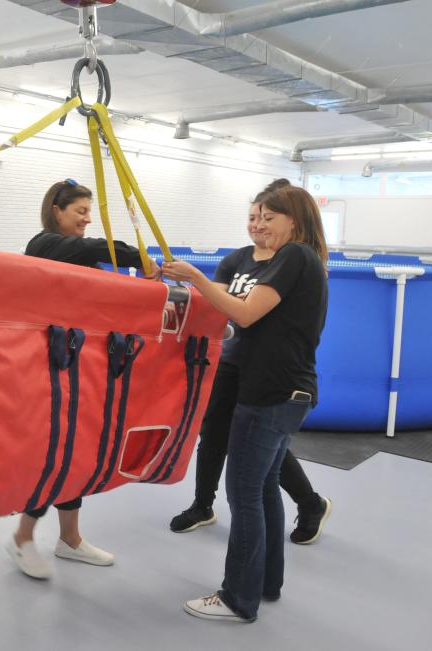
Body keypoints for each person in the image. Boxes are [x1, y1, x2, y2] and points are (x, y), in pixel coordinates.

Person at [163, 185, 328, 623]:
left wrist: (194, 277)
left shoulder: (294, 258)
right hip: (278, 390)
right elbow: (214, 304)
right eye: (254, 216)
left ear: (294, 221)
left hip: (272, 393)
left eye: (269, 217)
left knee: (244, 493)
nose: (259, 224)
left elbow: (246, 312)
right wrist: (178, 283)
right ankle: (266, 581)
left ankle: (238, 597)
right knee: (263, 487)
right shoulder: (274, 259)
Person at [6, 178, 160, 579]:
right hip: (43, 365)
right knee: (54, 452)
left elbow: (103, 290)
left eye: (90, 212)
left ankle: (69, 539)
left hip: (74, 362)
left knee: (75, 451)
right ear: (57, 210)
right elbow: (92, 249)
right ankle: (23, 537)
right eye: (81, 211)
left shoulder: (78, 255)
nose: (87, 219)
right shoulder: (44, 244)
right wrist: (136, 255)